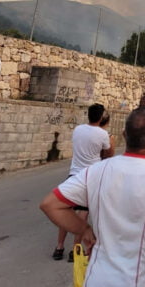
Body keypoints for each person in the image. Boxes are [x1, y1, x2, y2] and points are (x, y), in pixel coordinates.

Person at [40, 107, 145, 287]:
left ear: (125, 135)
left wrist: (84, 229)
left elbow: (50, 204)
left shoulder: (94, 172)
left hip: (97, 279)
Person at [51, 102, 114, 262]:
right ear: (101, 117)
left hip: (74, 174)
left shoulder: (78, 129)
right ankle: (75, 249)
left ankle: (59, 247)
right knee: (83, 214)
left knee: (66, 210)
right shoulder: (102, 134)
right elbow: (109, 154)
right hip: (90, 176)